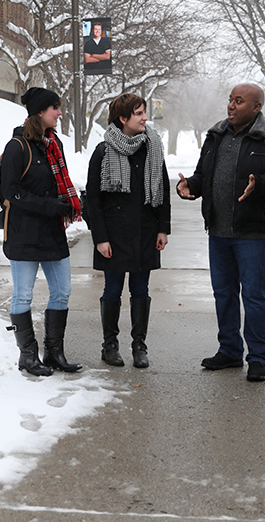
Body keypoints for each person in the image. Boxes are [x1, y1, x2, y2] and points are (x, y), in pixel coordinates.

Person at [176, 83, 265, 382]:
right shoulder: (216, 136)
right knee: (224, 294)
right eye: (230, 100)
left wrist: (261, 185)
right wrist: (191, 185)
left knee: (254, 297)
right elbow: (205, 175)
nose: (231, 106)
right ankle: (229, 350)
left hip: (254, 232)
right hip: (218, 230)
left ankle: (257, 358)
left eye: (239, 101)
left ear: (256, 107)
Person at [1, 87, 83, 376]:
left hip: (51, 233)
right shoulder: (17, 146)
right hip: (24, 235)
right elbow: (9, 193)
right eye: (54, 108)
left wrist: (63, 205)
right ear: (40, 112)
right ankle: (28, 356)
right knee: (23, 295)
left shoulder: (53, 143)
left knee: (62, 291)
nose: (59, 113)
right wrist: (51, 206)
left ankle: (54, 353)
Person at [85, 93, 171, 368]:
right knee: (112, 289)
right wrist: (100, 238)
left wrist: (163, 229)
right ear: (123, 119)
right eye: (138, 113)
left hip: (145, 232)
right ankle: (109, 345)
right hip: (114, 235)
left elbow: (163, 191)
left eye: (144, 112)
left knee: (140, 289)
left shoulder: (153, 148)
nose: (145, 118)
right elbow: (93, 200)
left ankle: (139, 346)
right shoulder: (103, 151)